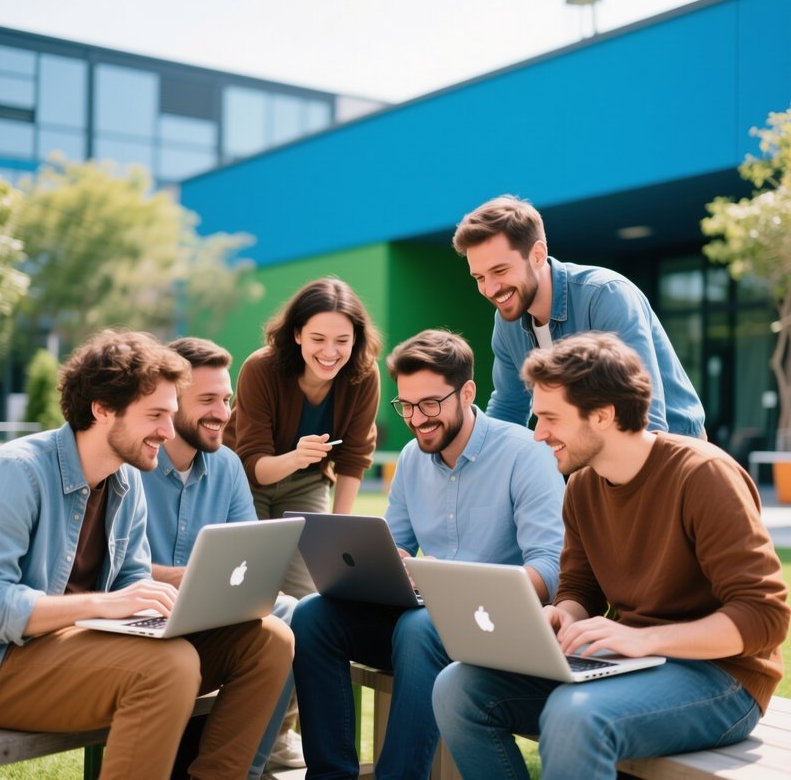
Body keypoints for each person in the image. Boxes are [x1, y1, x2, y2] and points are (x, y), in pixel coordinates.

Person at [432, 332, 790, 780]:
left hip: (722, 679)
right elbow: (581, 588)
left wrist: (645, 640)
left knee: (575, 714)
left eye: (549, 419)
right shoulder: (581, 487)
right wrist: (564, 614)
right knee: (458, 688)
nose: (537, 434)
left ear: (602, 416)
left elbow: (765, 616)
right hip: (629, 661)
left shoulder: (704, 476)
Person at [0, 330, 294, 780]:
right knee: (169, 666)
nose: (168, 432)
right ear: (102, 408)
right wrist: (101, 604)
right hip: (6, 666)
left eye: (171, 415)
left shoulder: (125, 481)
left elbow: (133, 584)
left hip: (83, 653)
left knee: (269, 640)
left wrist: (174, 606)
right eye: (155, 415)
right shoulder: (19, 471)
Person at [291, 329, 565, 780]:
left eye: (431, 404)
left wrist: (453, 583)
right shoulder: (414, 459)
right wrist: (386, 564)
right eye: (407, 406)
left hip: (497, 629)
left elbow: (550, 572)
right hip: (424, 625)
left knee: (420, 626)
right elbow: (394, 543)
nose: (417, 420)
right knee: (312, 615)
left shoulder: (524, 455)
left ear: (468, 392)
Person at [140, 337, 302, 777]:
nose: (222, 412)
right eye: (207, 399)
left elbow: (246, 557)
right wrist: (181, 578)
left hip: (207, 622)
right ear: (171, 403)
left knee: (288, 610)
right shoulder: (134, 463)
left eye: (226, 399)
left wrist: (218, 581)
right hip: (140, 623)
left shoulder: (228, 466)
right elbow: (114, 569)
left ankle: (243, 771)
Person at [452, 194, 706, 437]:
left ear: (537, 255)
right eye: (480, 277)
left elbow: (645, 418)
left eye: (500, 270)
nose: (491, 289)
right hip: (591, 453)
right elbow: (508, 410)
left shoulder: (606, 296)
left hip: (672, 450)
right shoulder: (507, 323)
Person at [228, 277, 382, 597]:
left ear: (356, 339)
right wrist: (296, 457)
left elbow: (355, 455)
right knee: (251, 581)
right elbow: (251, 463)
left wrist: (337, 530)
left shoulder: (364, 376)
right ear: (297, 334)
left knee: (307, 594)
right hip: (245, 482)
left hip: (307, 482)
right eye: (317, 338)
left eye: (342, 340)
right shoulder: (260, 368)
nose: (330, 352)